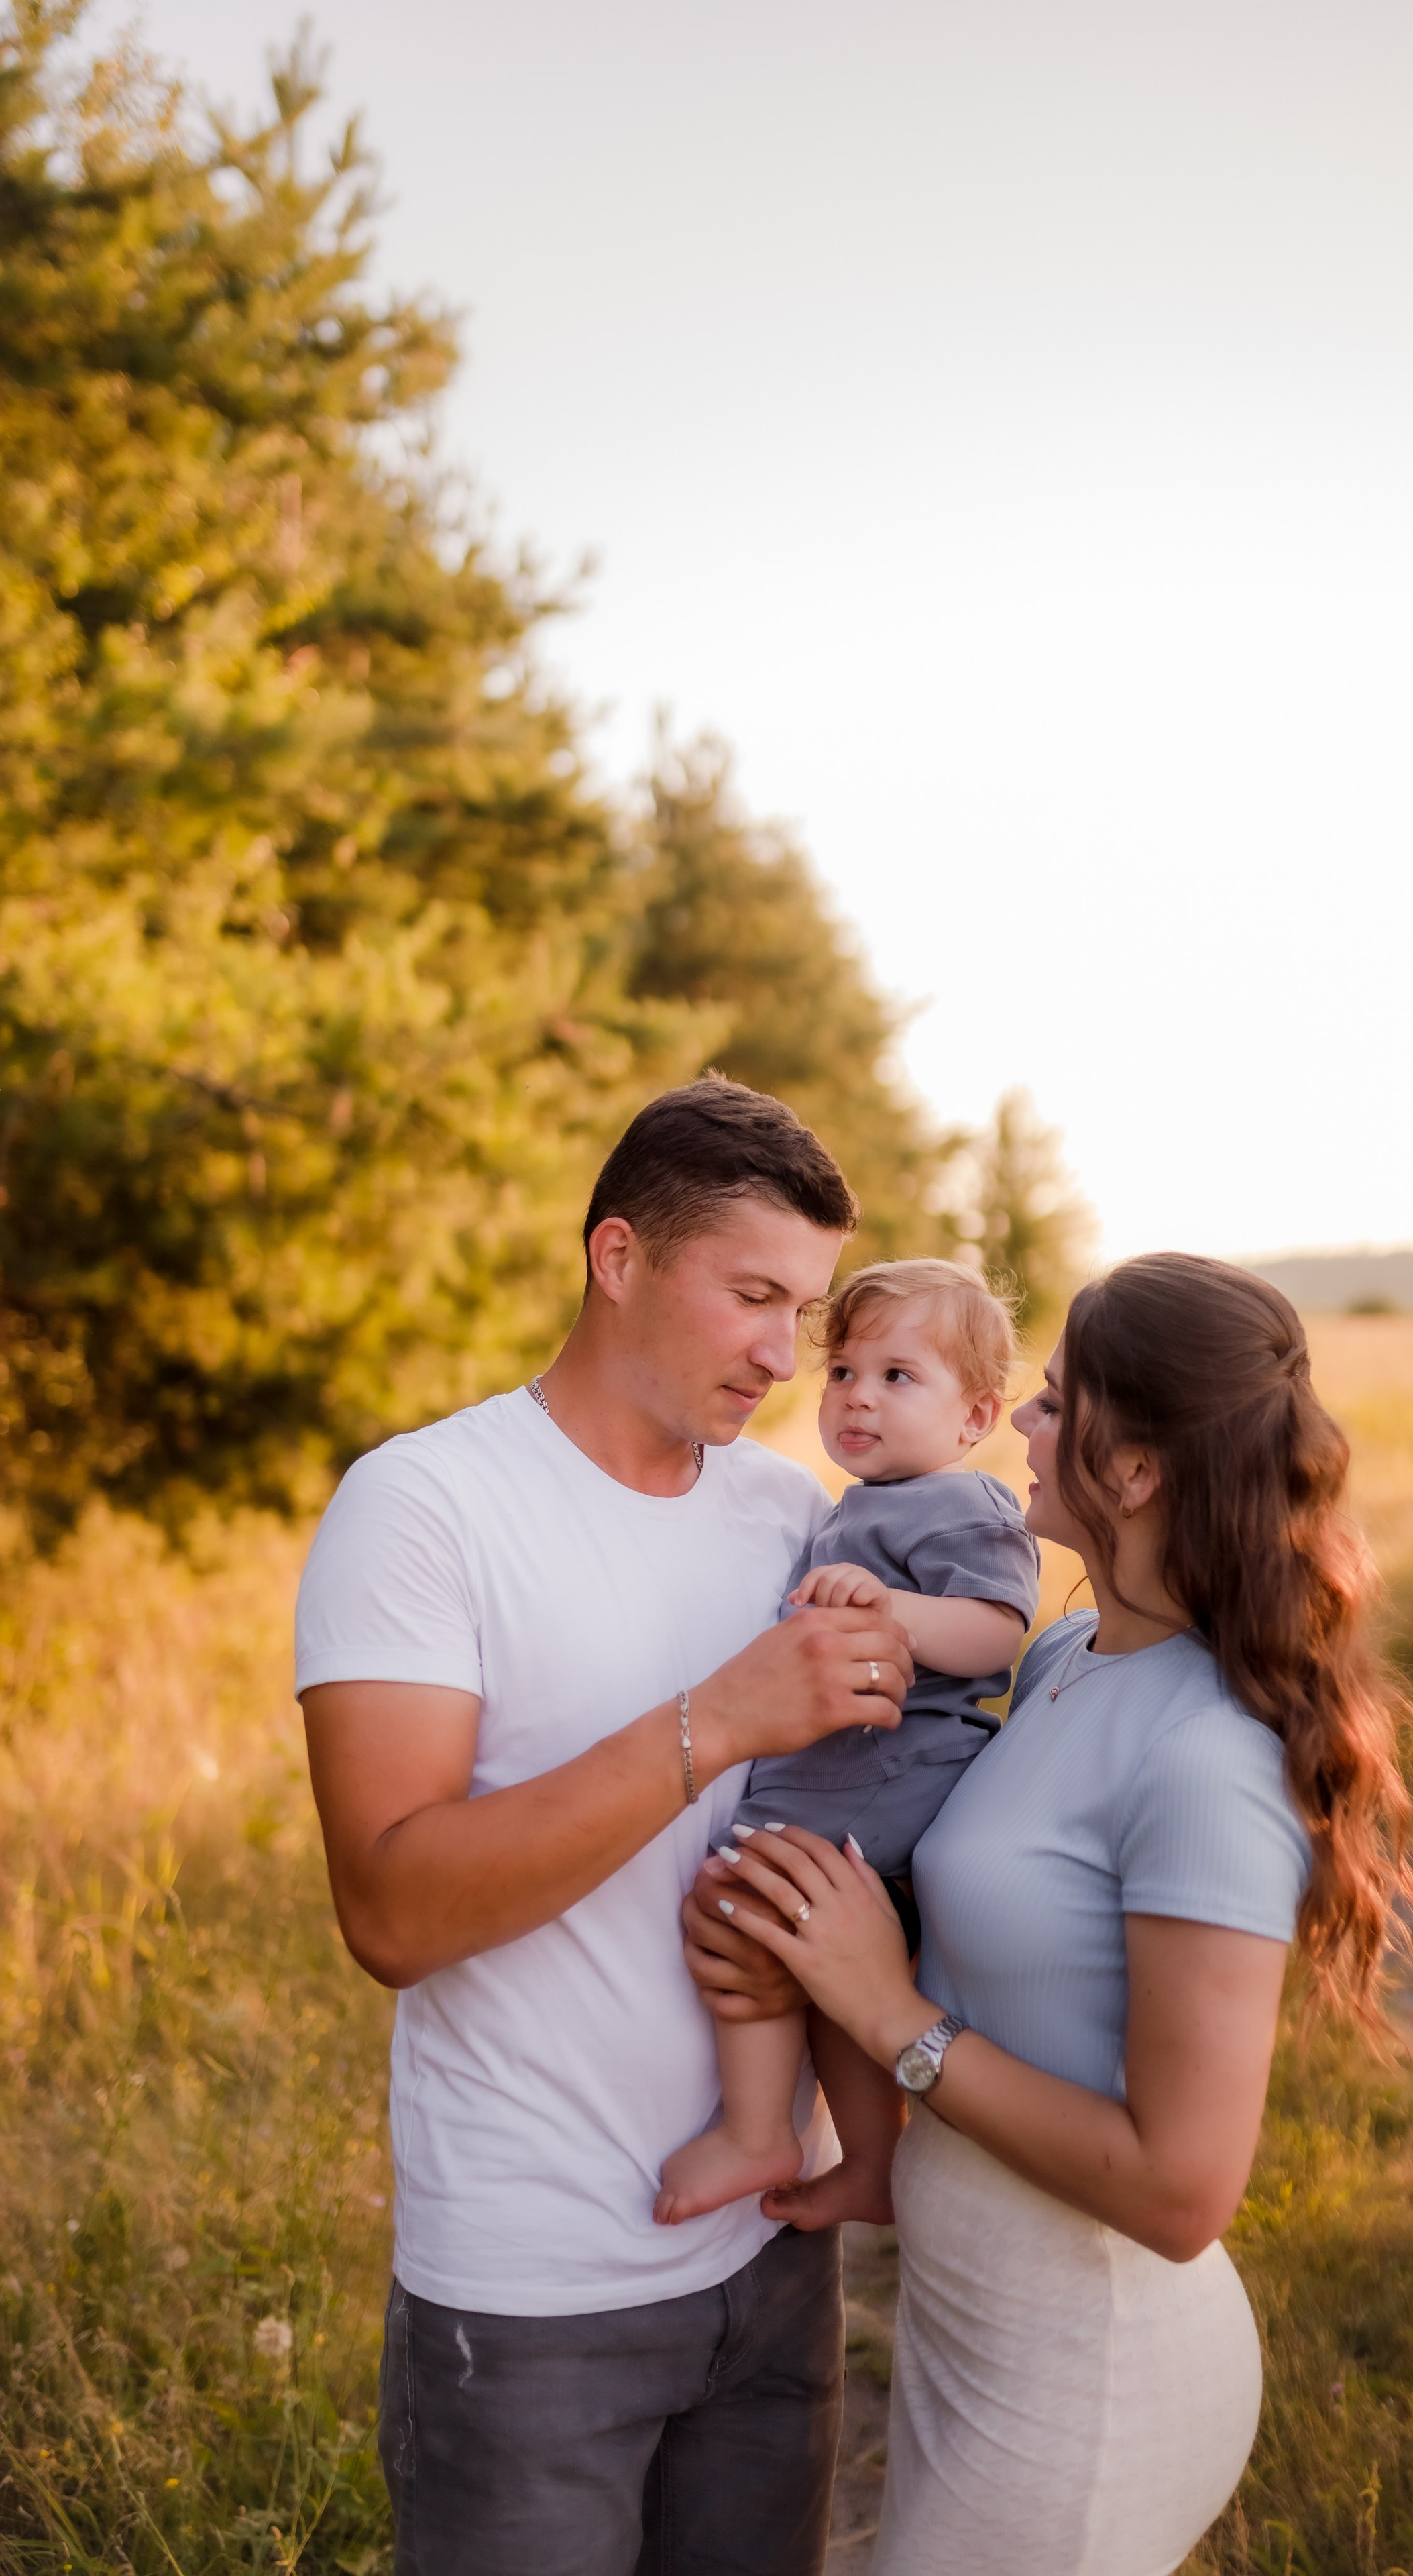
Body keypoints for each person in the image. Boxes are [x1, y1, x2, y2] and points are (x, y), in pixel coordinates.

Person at [689, 1252, 1413, 2576]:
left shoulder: (1206, 1756)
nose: (1024, 1429)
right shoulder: (1062, 1654)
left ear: (1138, 1469)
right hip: (968, 2339)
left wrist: (888, 2012)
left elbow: (1179, 2191)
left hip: (1084, 2381)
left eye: (1052, 1401)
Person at [295, 1077, 917, 2576]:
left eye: (809, 1308)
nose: (785, 1354)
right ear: (619, 1257)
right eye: (752, 1295)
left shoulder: (794, 1516)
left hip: (773, 2259)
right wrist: (719, 1719)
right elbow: (392, 1913)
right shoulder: (424, 1505)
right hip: (529, 2301)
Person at [654, 1259, 1039, 2232]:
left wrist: (893, 1610)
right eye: (843, 1373)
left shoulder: (963, 1505)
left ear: (975, 1418)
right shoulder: (847, 1511)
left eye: (899, 1377)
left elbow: (997, 1632)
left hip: (887, 1774)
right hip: (844, 1774)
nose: (858, 1396)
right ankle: (871, 2160)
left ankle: (756, 2132)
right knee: (825, 1970)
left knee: (747, 1897)